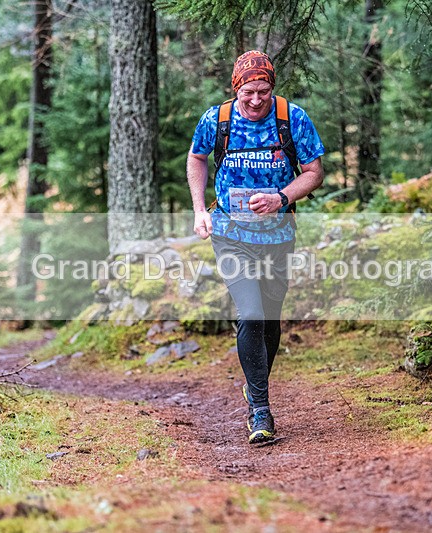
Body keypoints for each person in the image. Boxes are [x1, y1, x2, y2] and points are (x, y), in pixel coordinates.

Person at [186, 50, 325, 444]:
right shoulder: (217, 120)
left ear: (272, 88)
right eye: (248, 91)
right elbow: (196, 159)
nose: (256, 99)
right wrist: (200, 210)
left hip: (279, 237)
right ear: (236, 89)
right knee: (250, 313)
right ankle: (260, 410)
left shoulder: (291, 118)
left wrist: (281, 198)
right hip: (231, 236)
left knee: (270, 322)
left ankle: (254, 385)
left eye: (263, 90)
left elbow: (314, 172)